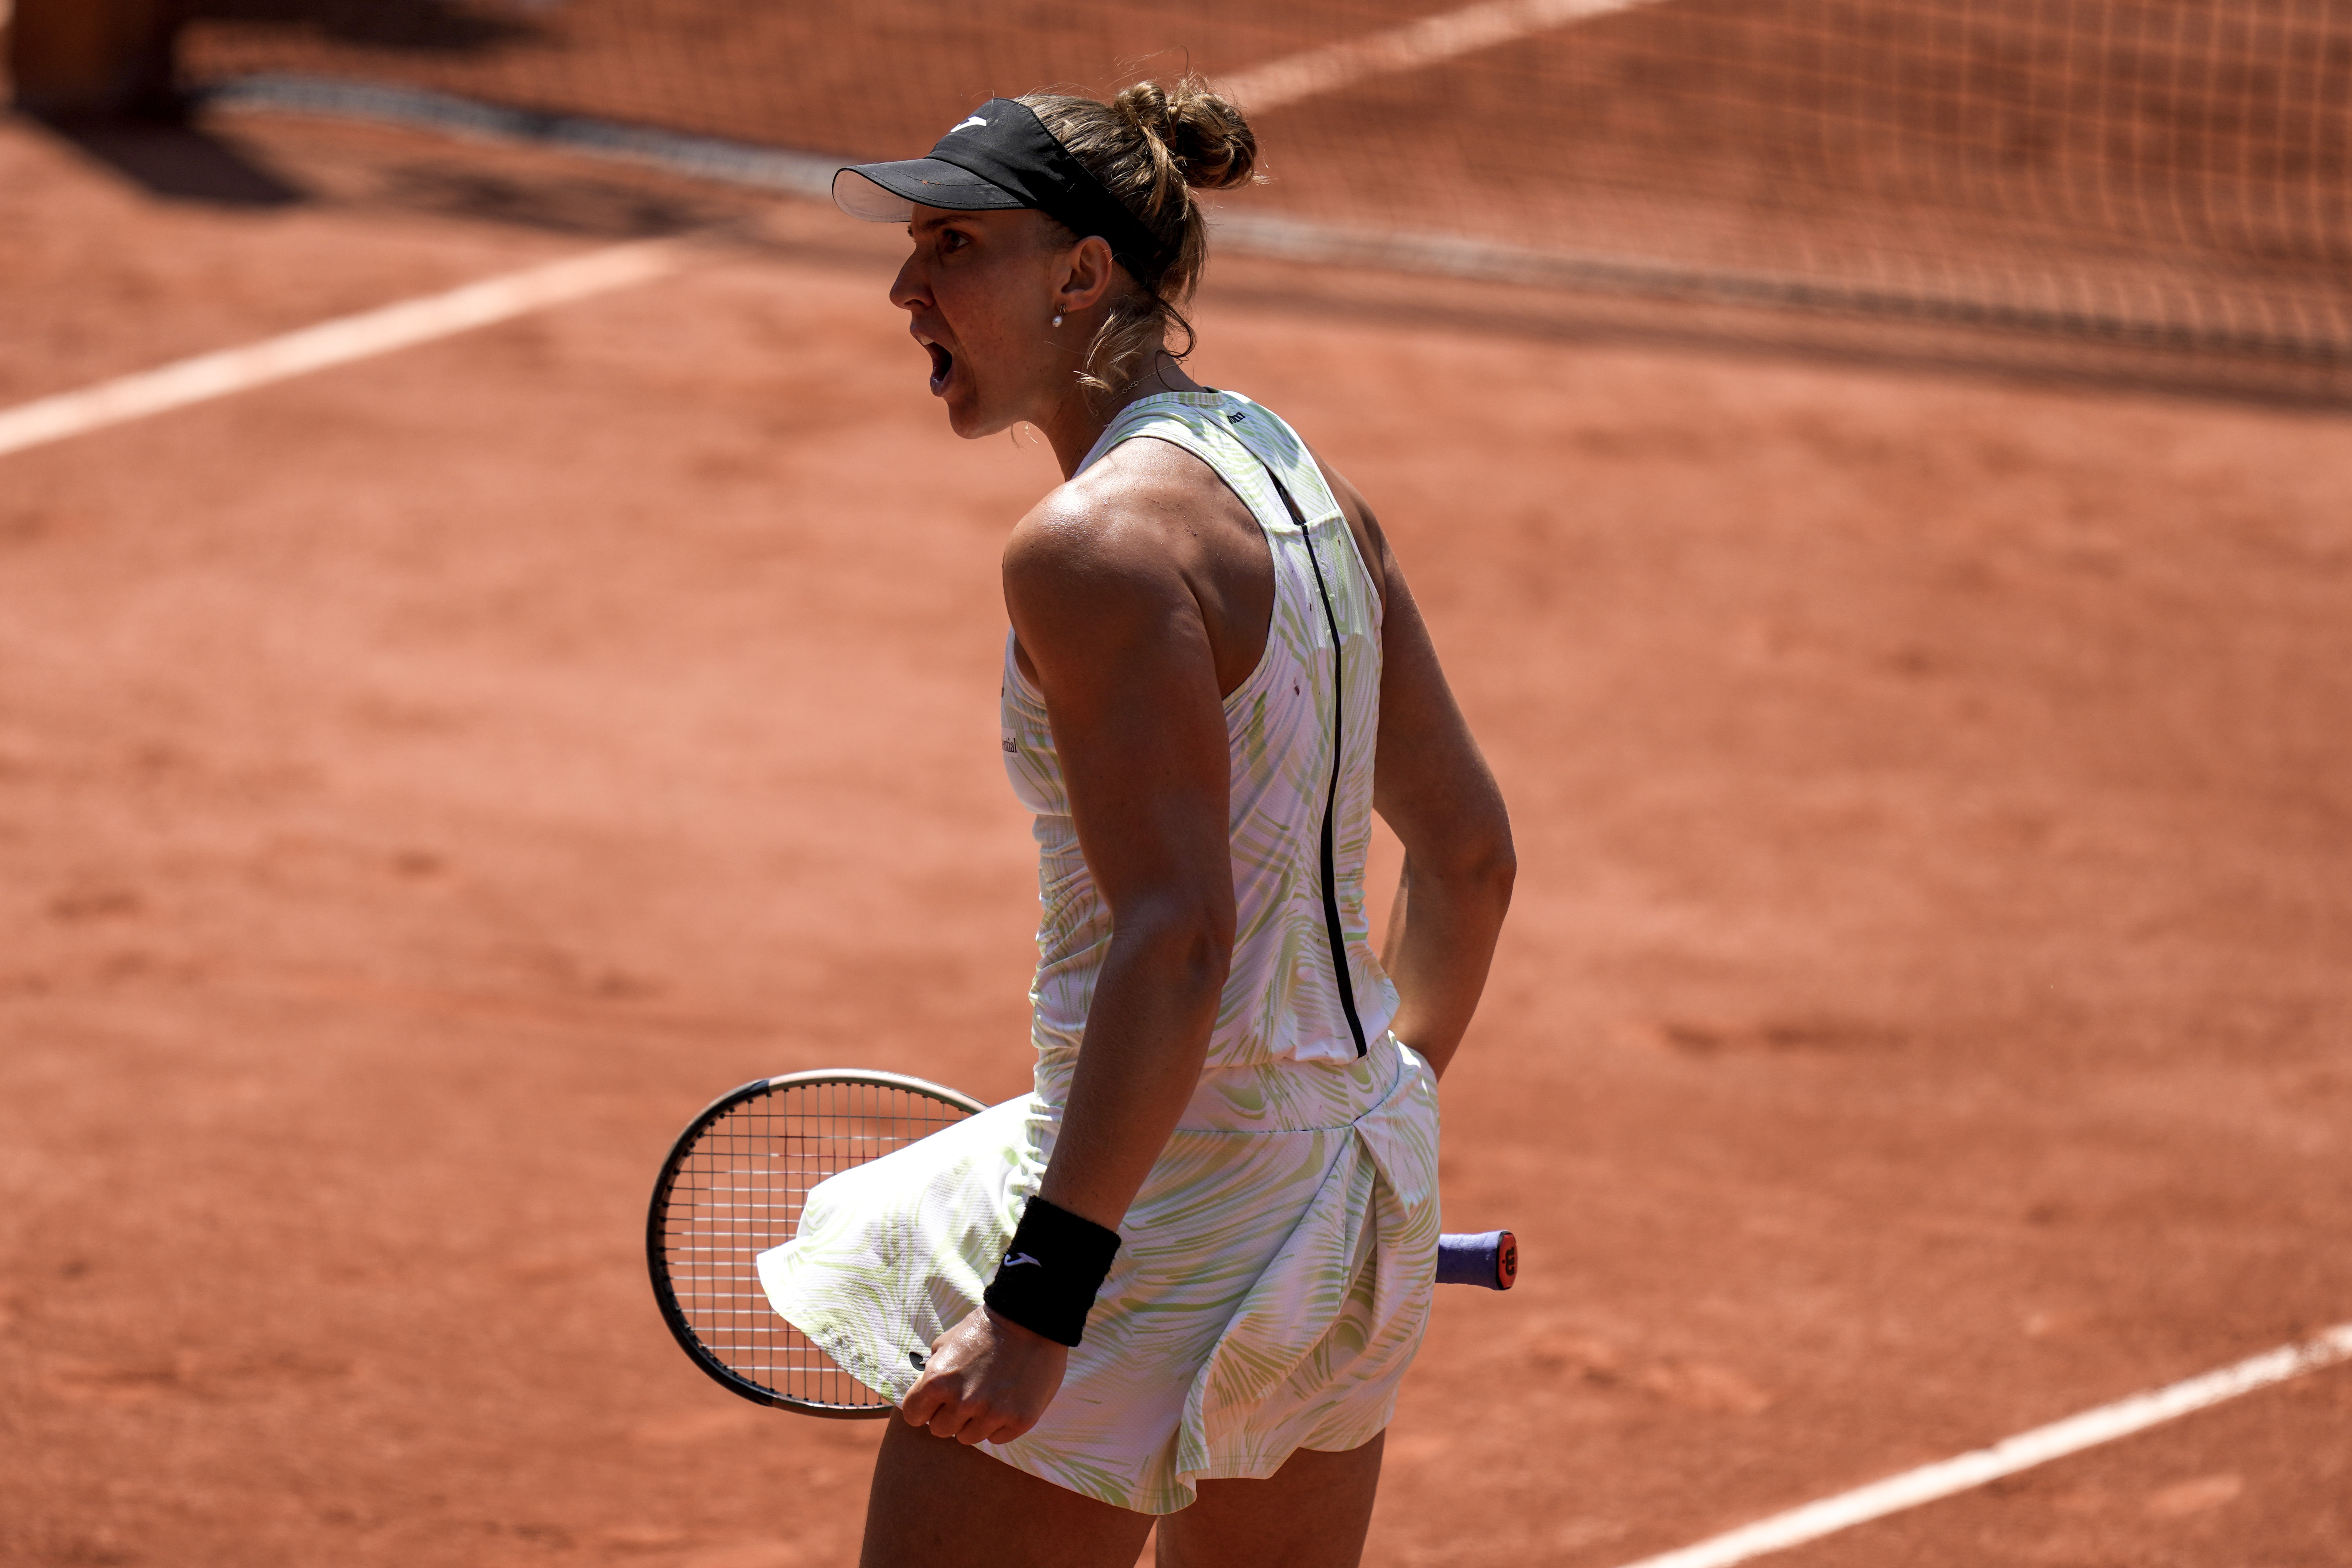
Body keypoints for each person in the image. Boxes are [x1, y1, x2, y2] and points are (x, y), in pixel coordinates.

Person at [755, 78, 1514, 1568]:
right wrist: (1373, 1099)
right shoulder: (1303, 483)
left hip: (1153, 1220)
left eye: (953, 244)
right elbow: (1471, 850)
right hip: (1347, 1192)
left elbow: (1177, 941)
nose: (906, 285)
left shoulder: (1091, 552)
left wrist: (1039, 1300)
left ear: (1083, 274)